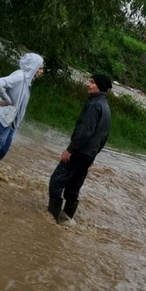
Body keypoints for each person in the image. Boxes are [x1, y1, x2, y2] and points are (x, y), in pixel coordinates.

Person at [48, 74, 112, 225]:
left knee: (56, 181)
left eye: (92, 82)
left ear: (99, 86)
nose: (88, 84)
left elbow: (84, 132)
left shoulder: (93, 105)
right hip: (88, 155)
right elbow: (104, 136)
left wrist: (70, 150)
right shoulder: (106, 107)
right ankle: (66, 219)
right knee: (74, 187)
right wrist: (93, 156)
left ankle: (51, 218)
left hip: (78, 152)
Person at [0, 53, 44, 167]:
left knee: (3, 149)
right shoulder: (19, 76)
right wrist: (6, 100)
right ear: (32, 67)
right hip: (1, 117)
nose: (42, 71)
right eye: (40, 68)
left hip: (12, 121)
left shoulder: (28, 80)